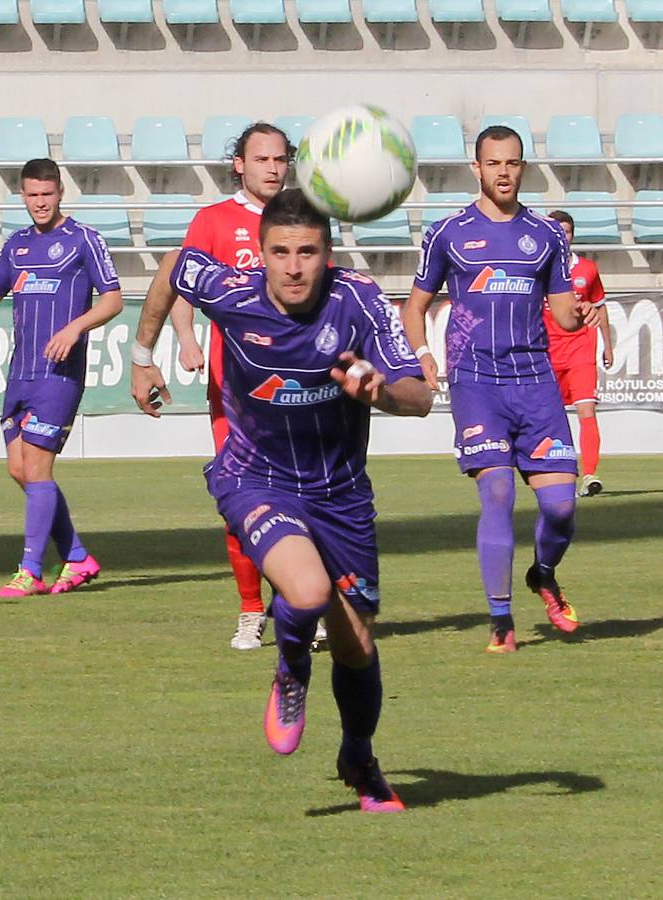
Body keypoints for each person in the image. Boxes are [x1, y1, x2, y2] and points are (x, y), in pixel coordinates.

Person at [131, 189, 432, 812]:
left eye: (308, 252)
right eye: (281, 252)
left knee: (356, 645)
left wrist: (379, 392)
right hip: (255, 478)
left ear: (328, 253)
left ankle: (359, 756)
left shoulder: (360, 302)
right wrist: (143, 355)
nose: (294, 266)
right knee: (307, 592)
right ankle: (291, 667)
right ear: (261, 253)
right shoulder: (231, 292)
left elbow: (420, 395)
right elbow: (172, 267)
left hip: (341, 494)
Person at [401, 126, 589, 654]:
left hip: (534, 382)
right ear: (477, 169)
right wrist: (424, 356)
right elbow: (414, 306)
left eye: (512, 163)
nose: (503, 172)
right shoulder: (449, 233)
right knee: (499, 492)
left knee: (560, 508)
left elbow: (563, 316)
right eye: (493, 163)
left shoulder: (548, 236)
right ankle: (501, 622)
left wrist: (582, 314)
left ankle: (543, 574)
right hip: (476, 381)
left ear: (522, 168)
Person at [0, 158, 123, 596]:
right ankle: (77, 557)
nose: (40, 202)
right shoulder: (16, 245)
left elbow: (113, 298)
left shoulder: (83, 240)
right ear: (22, 196)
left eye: (46, 194)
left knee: (36, 467)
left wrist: (74, 328)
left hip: (59, 374)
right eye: (32, 195)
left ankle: (30, 570)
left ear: (59, 193)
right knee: (20, 470)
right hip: (20, 374)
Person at [169, 123, 301, 651]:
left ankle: (298, 606)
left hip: (300, 388)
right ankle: (251, 610)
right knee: (240, 501)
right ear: (238, 165)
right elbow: (182, 287)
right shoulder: (213, 221)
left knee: (301, 503)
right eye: (262, 158)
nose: (273, 167)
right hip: (236, 392)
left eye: (280, 158)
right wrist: (184, 337)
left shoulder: (301, 219)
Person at [545, 209, 612, 497]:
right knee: (552, 417)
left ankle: (590, 474)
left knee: (587, 411)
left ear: (573, 235)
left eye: (567, 231)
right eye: (558, 231)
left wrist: (608, 345)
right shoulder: (539, 268)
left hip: (581, 349)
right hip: (548, 352)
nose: (563, 236)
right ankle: (561, 476)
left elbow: (599, 307)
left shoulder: (587, 269)